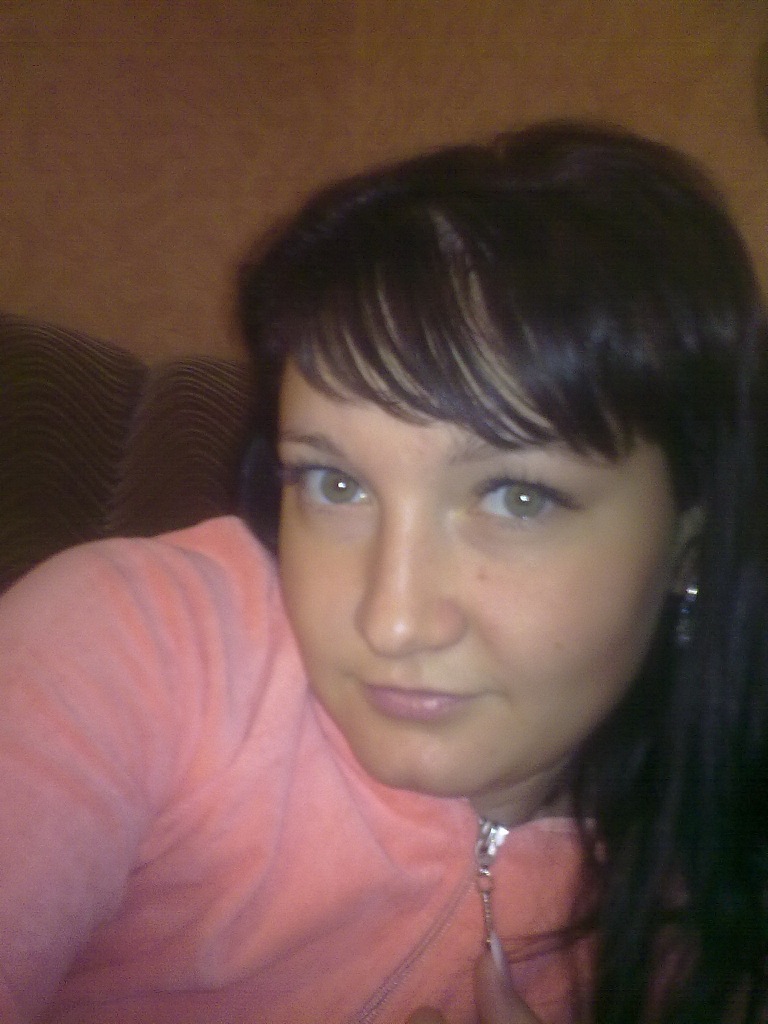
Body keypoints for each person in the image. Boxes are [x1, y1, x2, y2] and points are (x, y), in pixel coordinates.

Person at [0, 122, 766, 1024]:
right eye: (336, 484)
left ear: (689, 539)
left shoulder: (722, 890)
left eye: (517, 498)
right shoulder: (132, 644)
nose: (390, 621)